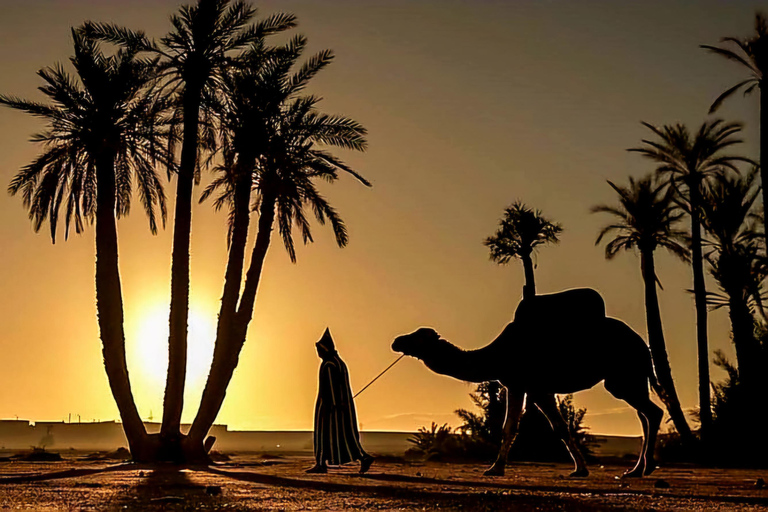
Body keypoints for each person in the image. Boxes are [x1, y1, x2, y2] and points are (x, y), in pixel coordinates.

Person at [307, 328, 374, 474]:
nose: (318, 353)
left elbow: (330, 387)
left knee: (324, 435)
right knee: (346, 436)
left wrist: (332, 405)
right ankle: (362, 457)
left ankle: (321, 464)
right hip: (343, 406)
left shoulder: (329, 364)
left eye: (319, 350)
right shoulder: (339, 362)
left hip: (330, 407)